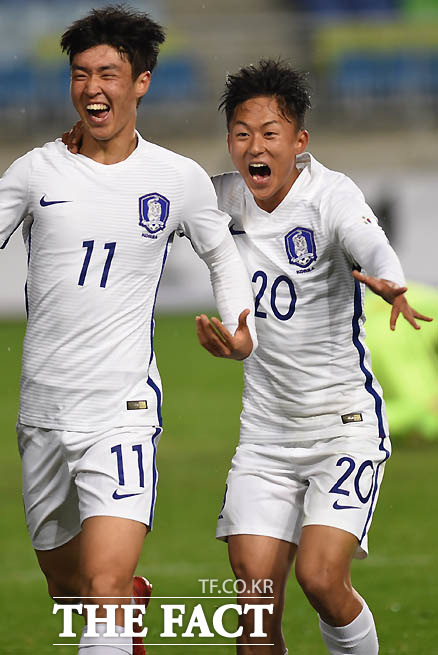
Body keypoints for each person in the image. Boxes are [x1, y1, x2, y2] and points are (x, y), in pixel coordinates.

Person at [0, 6, 256, 655]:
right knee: (68, 588)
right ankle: (122, 612)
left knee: (104, 581)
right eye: (81, 73)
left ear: (141, 81)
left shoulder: (177, 179)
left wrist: (238, 326)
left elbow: (222, 255)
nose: (93, 87)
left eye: (109, 73)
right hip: (42, 409)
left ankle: (118, 602)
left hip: (123, 408)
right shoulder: (37, 170)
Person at [195, 59, 433, 655]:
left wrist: (390, 279)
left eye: (270, 133)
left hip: (343, 426)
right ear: (230, 141)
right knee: (254, 614)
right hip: (265, 436)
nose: (255, 145)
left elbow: (370, 241)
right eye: (242, 133)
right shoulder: (217, 198)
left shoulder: (330, 193)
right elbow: (139, 203)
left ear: (298, 142)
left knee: (322, 579)